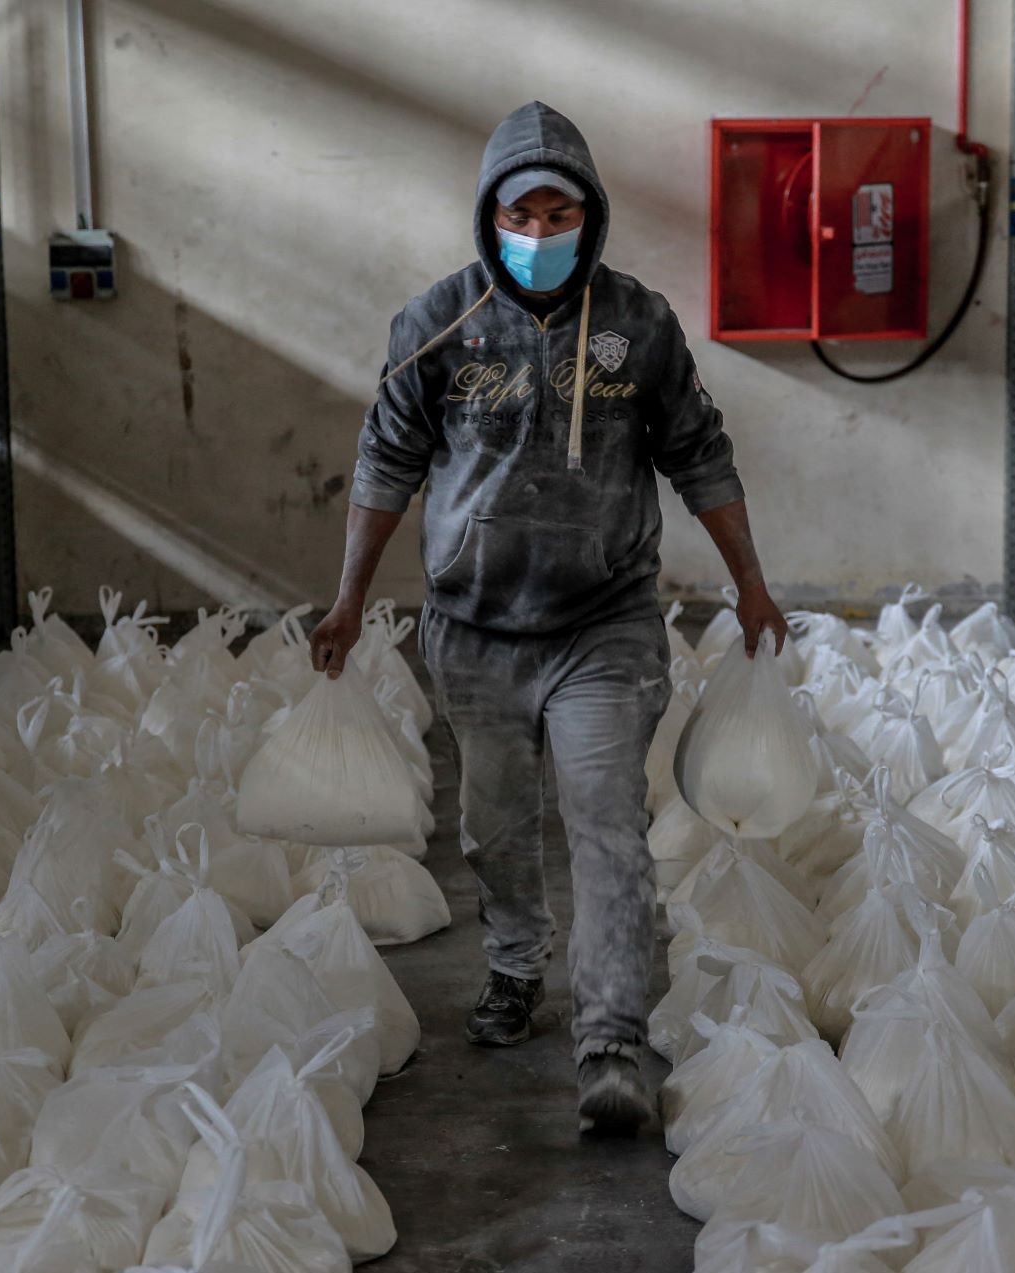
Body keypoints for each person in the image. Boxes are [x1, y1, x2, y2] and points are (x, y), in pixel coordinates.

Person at [306, 101, 788, 1136]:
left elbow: (699, 453)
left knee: (607, 824)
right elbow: (385, 463)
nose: (536, 229)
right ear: (488, 217)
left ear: (589, 213)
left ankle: (612, 1036)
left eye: (555, 209)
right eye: (517, 211)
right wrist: (350, 596)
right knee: (491, 824)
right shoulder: (434, 323)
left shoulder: (637, 326)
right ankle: (514, 964)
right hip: (473, 629)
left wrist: (749, 580)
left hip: (602, 625)